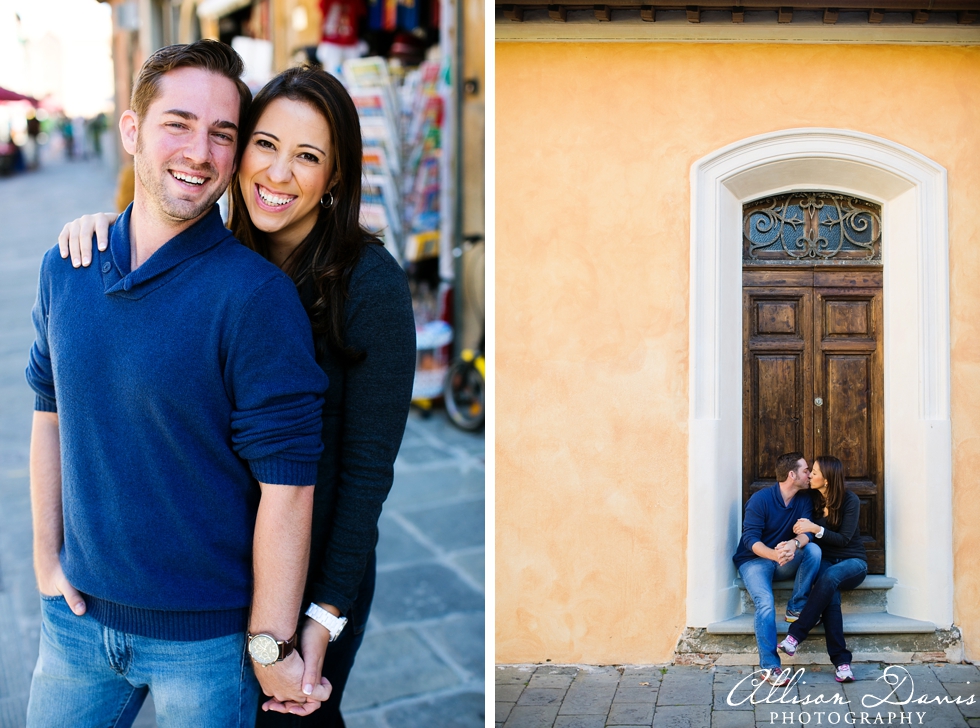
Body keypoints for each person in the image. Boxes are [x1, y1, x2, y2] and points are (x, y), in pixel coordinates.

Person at [60, 65, 416, 727]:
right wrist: (106, 230)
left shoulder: (370, 286)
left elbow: (367, 473)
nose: (279, 173)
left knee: (290, 717)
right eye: (265, 145)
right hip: (217, 560)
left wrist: (322, 615)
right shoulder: (213, 254)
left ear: (334, 177)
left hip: (312, 567)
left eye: (308, 157)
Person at [26, 41, 332, 728]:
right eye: (179, 123)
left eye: (223, 134)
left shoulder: (256, 298)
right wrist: (45, 559)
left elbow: (289, 488)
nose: (200, 152)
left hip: (204, 643)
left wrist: (268, 642)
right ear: (132, 129)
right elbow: (48, 417)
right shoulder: (66, 266)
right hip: (75, 624)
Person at [732, 451, 822, 686]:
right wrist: (774, 554)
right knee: (764, 602)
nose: (809, 475)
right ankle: (770, 667)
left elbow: (806, 533)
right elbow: (749, 540)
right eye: (805, 470)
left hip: (784, 559)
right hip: (754, 561)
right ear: (792, 474)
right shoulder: (760, 499)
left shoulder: (803, 500)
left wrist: (793, 544)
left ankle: (795, 607)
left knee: (813, 551)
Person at [777, 456, 868, 683]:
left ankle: (795, 635)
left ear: (827, 479)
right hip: (826, 562)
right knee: (830, 593)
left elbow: (844, 539)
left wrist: (815, 528)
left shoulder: (850, 500)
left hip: (853, 562)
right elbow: (801, 528)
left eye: (815, 472)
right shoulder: (811, 499)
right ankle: (842, 663)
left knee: (829, 576)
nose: (810, 476)